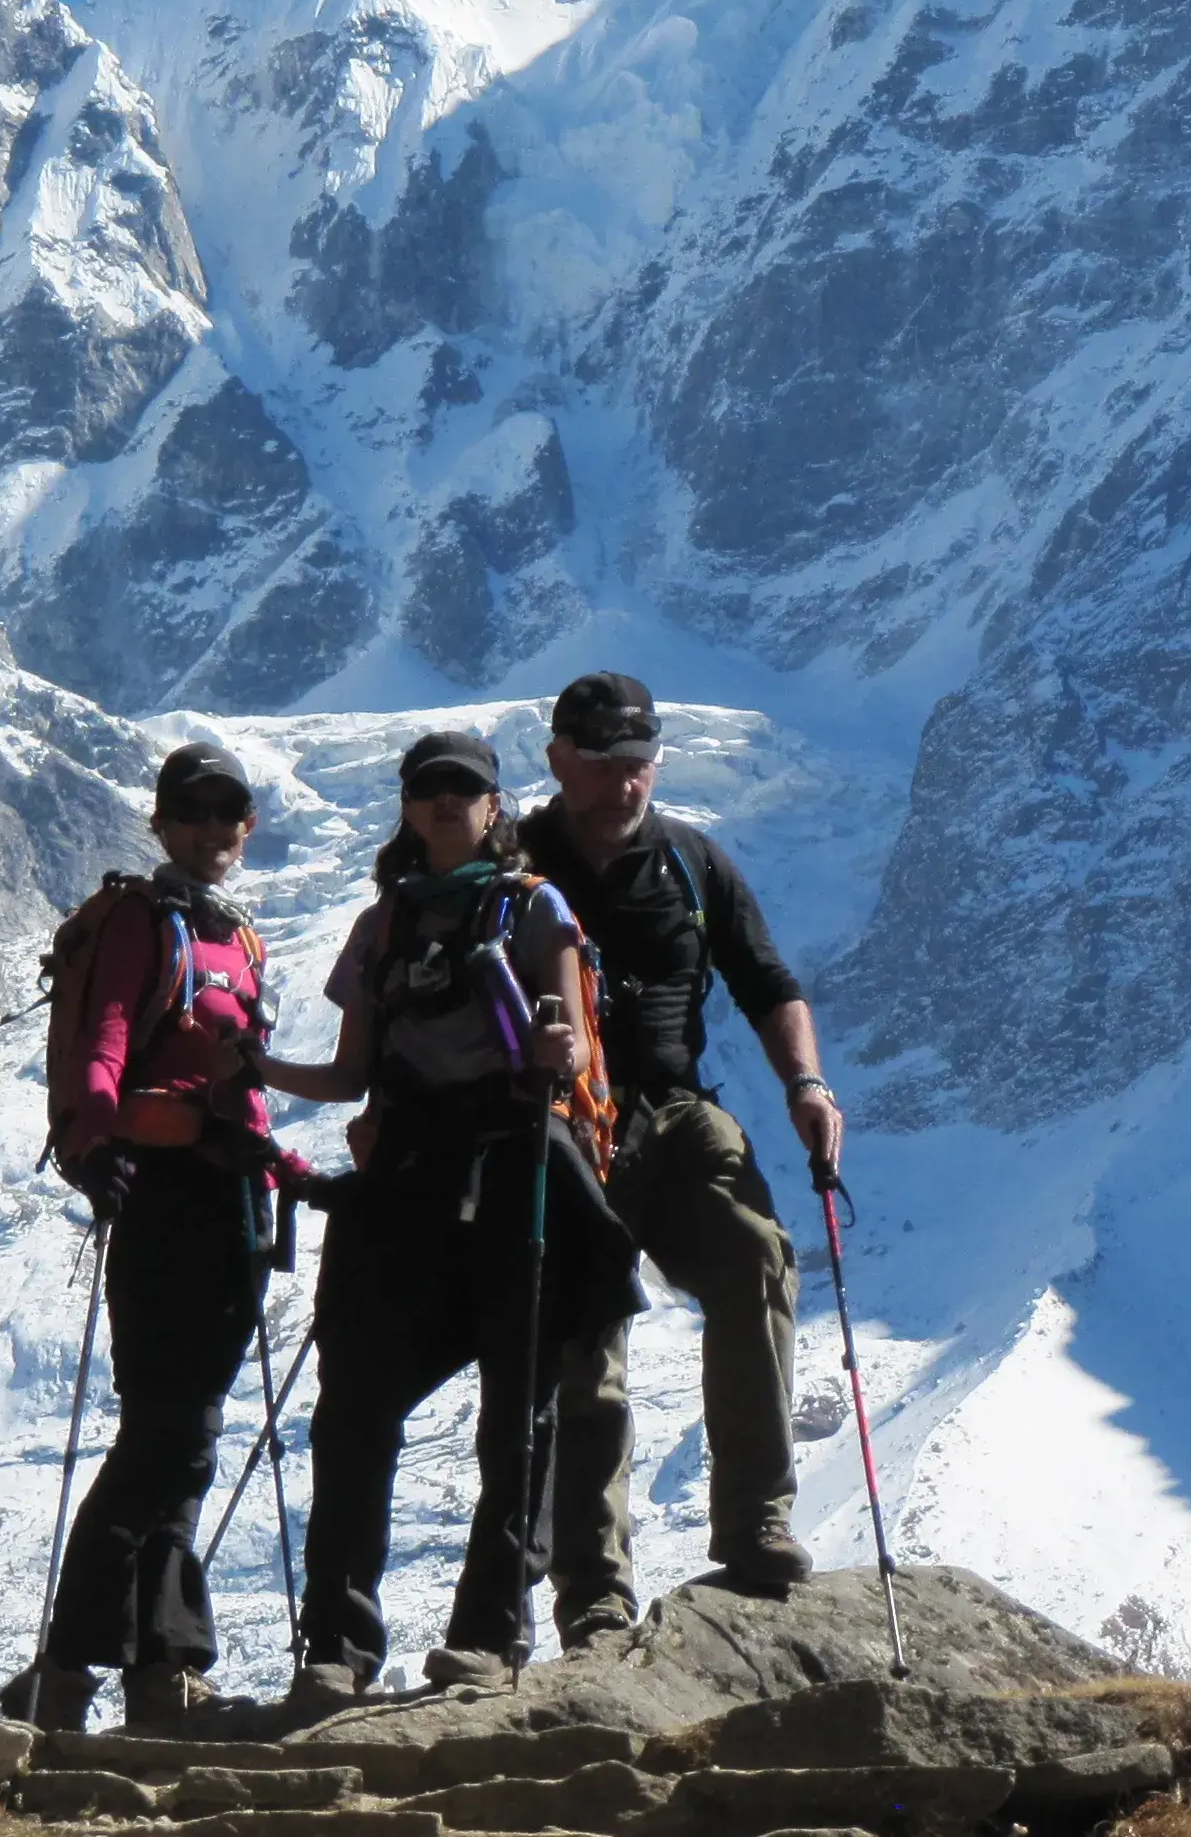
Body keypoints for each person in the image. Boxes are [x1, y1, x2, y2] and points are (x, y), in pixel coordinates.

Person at [260, 730, 636, 1705]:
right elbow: (349, 1073)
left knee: (514, 1411)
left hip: (507, 1157)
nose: (441, 803)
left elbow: (574, 1046)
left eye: (460, 789)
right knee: (356, 1412)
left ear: (493, 805)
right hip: (422, 1173)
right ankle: (341, 1645)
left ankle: (484, 1633)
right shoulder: (383, 926)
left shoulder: (532, 905)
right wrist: (249, 1072)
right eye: (426, 788)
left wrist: (559, 1049)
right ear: (406, 806)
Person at [517, 670, 841, 1640]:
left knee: (755, 1253)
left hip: (672, 1113)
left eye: (640, 765)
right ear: (560, 761)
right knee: (589, 1343)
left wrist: (806, 1085)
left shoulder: (693, 863)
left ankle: (755, 1520)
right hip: (560, 1132)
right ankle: (595, 1588)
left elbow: (768, 982)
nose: (626, 785)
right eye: (607, 764)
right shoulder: (514, 869)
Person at [18, 741, 282, 1736]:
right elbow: (108, 1037)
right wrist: (91, 1136)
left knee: (185, 1437)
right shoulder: (142, 921)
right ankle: (81, 1665)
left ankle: (155, 1667)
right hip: (165, 1194)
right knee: (170, 1436)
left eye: (229, 813)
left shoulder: (239, 940)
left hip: (230, 1206)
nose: (214, 830)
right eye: (194, 812)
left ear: (245, 826)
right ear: (161, 821)